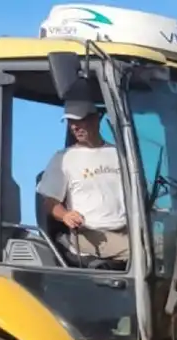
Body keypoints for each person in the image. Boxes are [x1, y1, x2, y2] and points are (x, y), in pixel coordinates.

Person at [35, 96, 129, 264]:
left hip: (126, 230)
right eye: (71, 122)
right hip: (91, 236)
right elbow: (49, 202)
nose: (75, 126)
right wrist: (65, 215)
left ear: (95, 119)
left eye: (80, 120)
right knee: (152, 252)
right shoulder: (63, 158)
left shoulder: (118, 155)